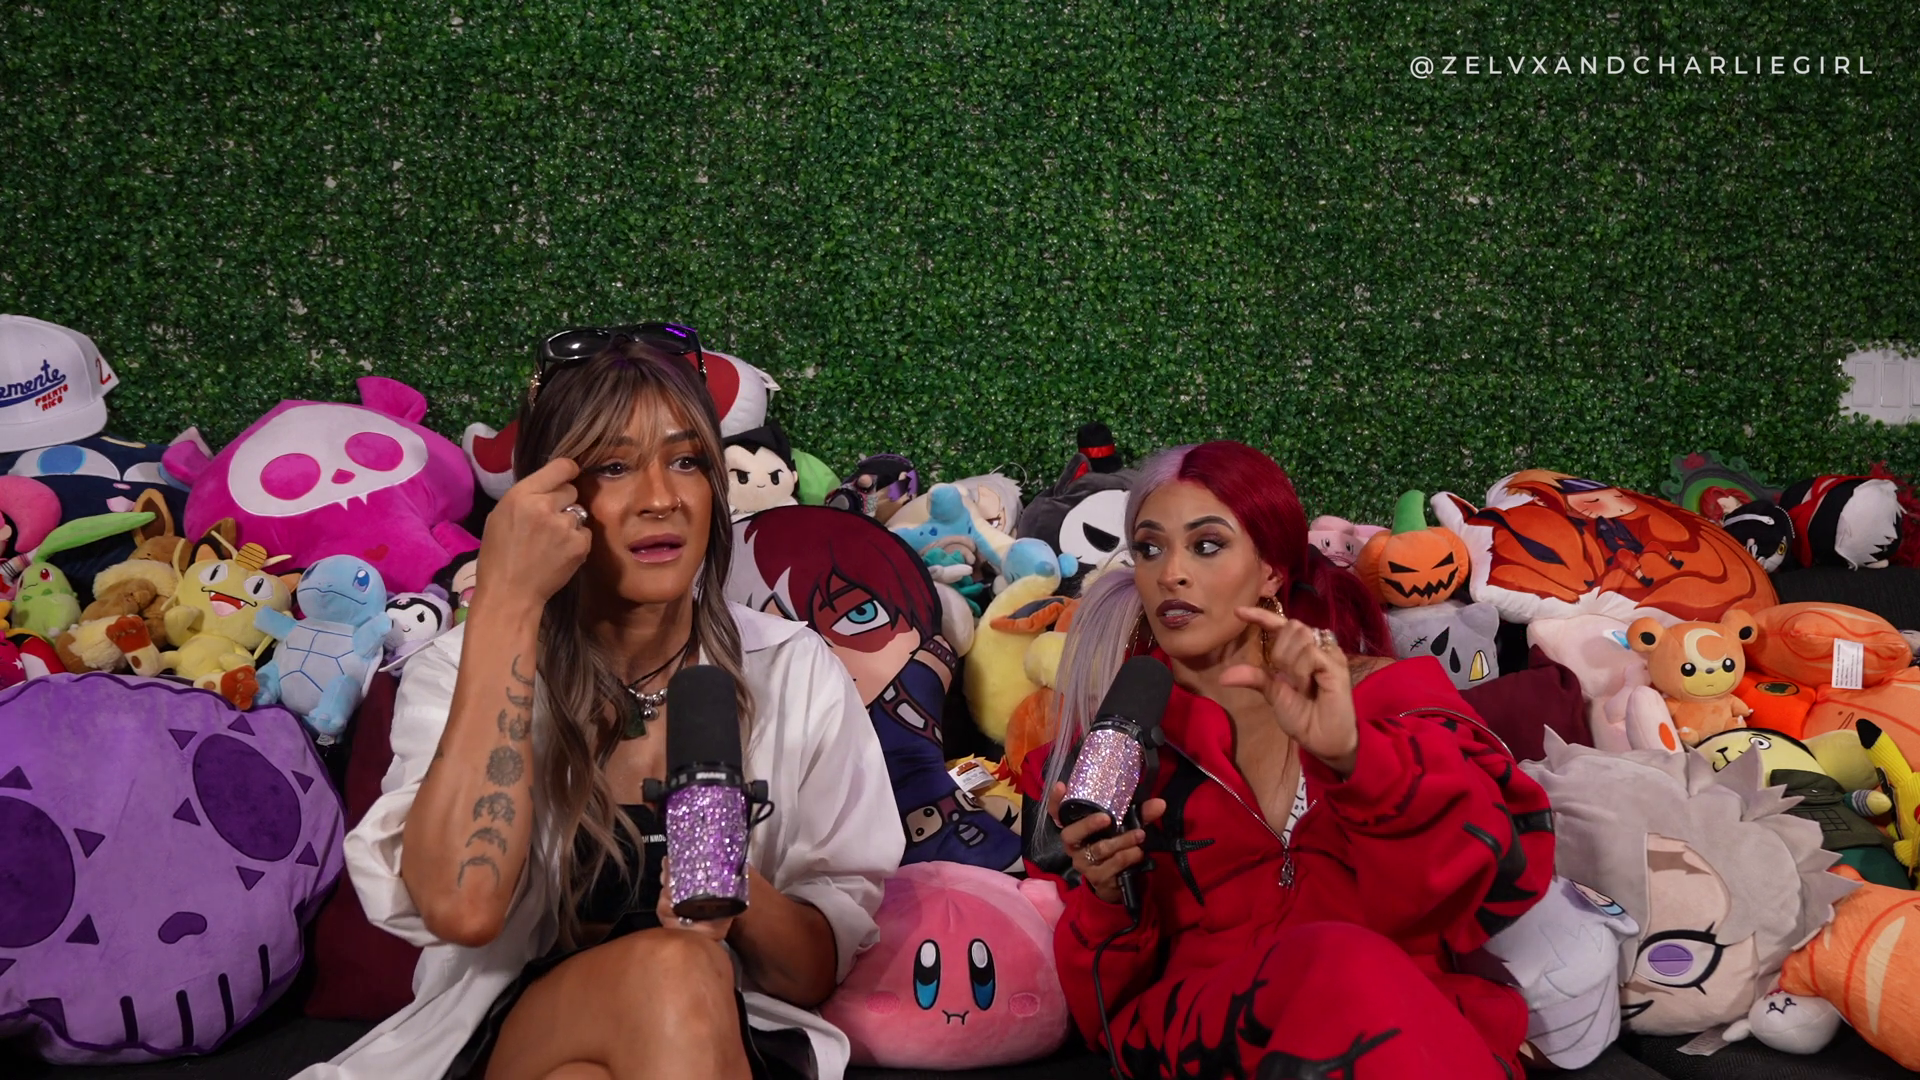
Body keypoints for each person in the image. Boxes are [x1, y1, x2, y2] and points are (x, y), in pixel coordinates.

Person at [298, 326, 904, 1080]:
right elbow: (463, 908)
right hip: (505, 1033)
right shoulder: (459, 668)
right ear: (549, 501)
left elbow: (810, 973)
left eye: (687, 461)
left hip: (717, 1035)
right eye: (614, 467)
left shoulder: (791, 668)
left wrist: (730, 886)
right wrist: (508, 604)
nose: (661, 499)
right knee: (673, 970)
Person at [1021, 441, 1556, 1080]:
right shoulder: (1114, 750)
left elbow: (1496, 871)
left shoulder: (1392, 699)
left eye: (1206, 545)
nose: (1171, 574)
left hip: (1399, 1024)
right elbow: (1102, 1014)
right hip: (1212, 1036)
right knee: (1338, 958)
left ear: (1272, 570)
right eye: (1150, 549)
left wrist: (1355, 757)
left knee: (1355, 970)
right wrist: (1110, 896)